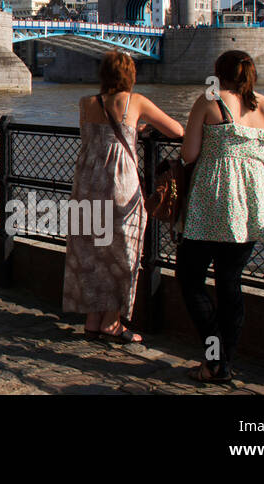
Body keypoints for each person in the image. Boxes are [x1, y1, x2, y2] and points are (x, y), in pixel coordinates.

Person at [177, 50, 264, 383]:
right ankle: (225, 364)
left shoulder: (210, 101)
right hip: (249, 206)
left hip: (210, 203)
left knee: (190, 281)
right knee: (231, 285)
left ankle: (214, 357)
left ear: (218, 73)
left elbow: (188, 155)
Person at [63, 50, 184, 343]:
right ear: (130, 75)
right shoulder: (136, 101)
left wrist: (128, 130)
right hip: (119, 185)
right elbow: (177, 130)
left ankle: (92, 320)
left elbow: (92, 139)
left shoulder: (86, 103)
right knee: (123, 253)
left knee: (91, 252)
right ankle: (112, 323)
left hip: (86, 184)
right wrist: (138, 129)